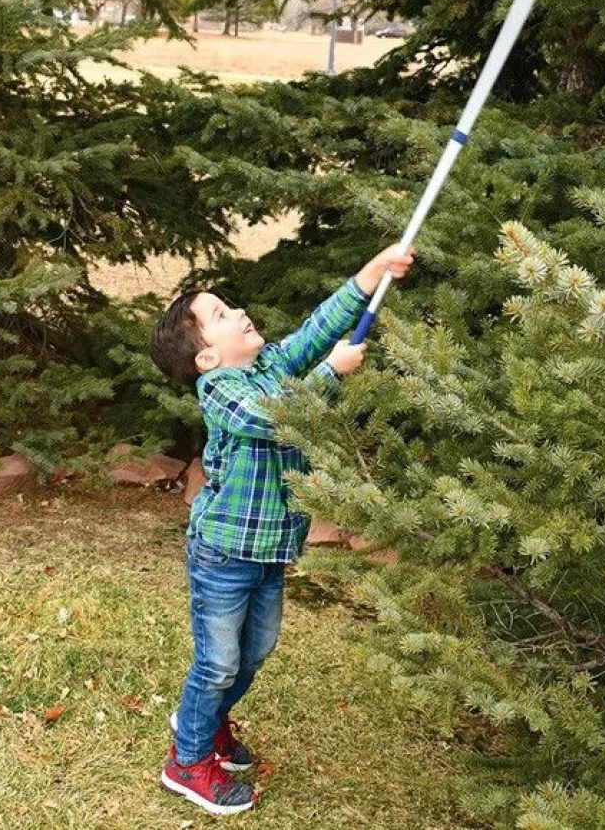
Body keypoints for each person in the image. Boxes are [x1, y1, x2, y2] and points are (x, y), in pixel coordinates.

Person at [148, 244, 415, 815]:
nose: (239, 312)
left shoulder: (266, 367)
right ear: (205, 359)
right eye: (220, 315)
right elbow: (272, 418)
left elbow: (315, 330)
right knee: (218, 662)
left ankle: (205, 720)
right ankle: (188, 761)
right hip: (223, 554)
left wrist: (371, 272)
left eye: (229, 306)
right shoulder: (221, 392)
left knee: (255, 651)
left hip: (270, 552)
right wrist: (330, 376)